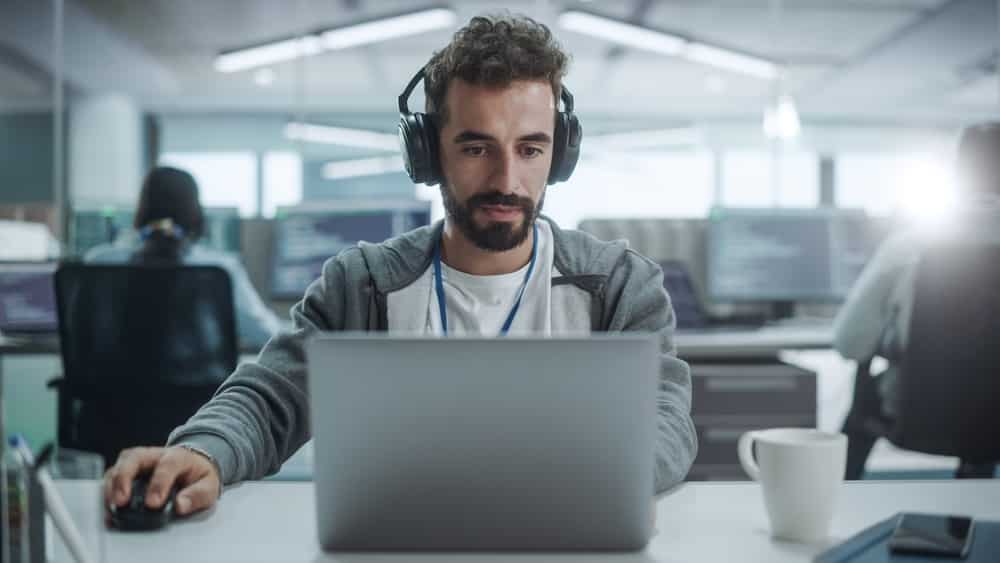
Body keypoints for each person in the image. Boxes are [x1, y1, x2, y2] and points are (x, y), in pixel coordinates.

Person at [103, 14, 698, 517]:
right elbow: (271, 396)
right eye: (475, 147)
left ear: (558, 154)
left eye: (531, 148)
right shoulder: (362, 283)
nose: (506, 180)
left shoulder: (620, 285)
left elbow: (666, 421)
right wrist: (204, 450)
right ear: (428, 152)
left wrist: (589, 484)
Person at [834, 122, 1000, 479]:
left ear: (959, 174)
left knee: (862, 400)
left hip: (922, 411)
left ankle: (835, 510)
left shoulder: (911, 245)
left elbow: (849, 344)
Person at [86, 166, 281, 350]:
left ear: (142, 209)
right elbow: (266, 334)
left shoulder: (99, 262)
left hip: (114, 385)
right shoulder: (218, 268)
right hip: (201, 386)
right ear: (194, 211)